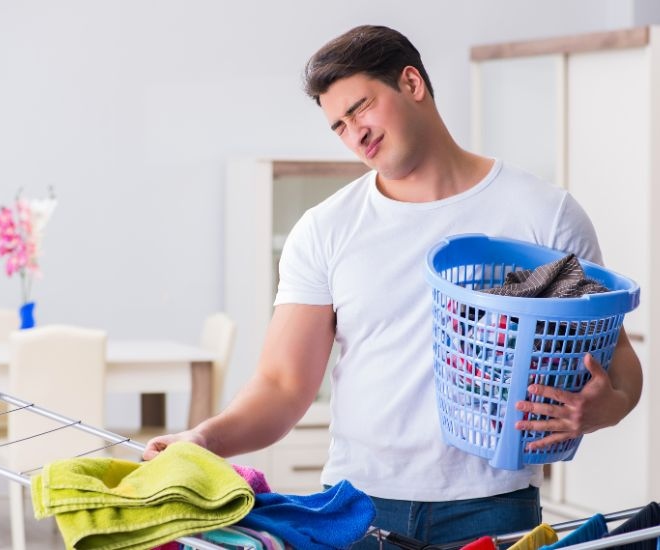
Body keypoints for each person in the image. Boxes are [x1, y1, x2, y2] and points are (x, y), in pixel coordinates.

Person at [144, 25, 642, 548]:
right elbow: (283, 386)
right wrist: (202, 439)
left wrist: (610, 407)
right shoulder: (327, 228)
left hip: (495, 506)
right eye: (338, 125)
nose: (354, 133)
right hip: (356, 507)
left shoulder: (544, 213)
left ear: (411, 83)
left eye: (360, 108)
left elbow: (619, 359)